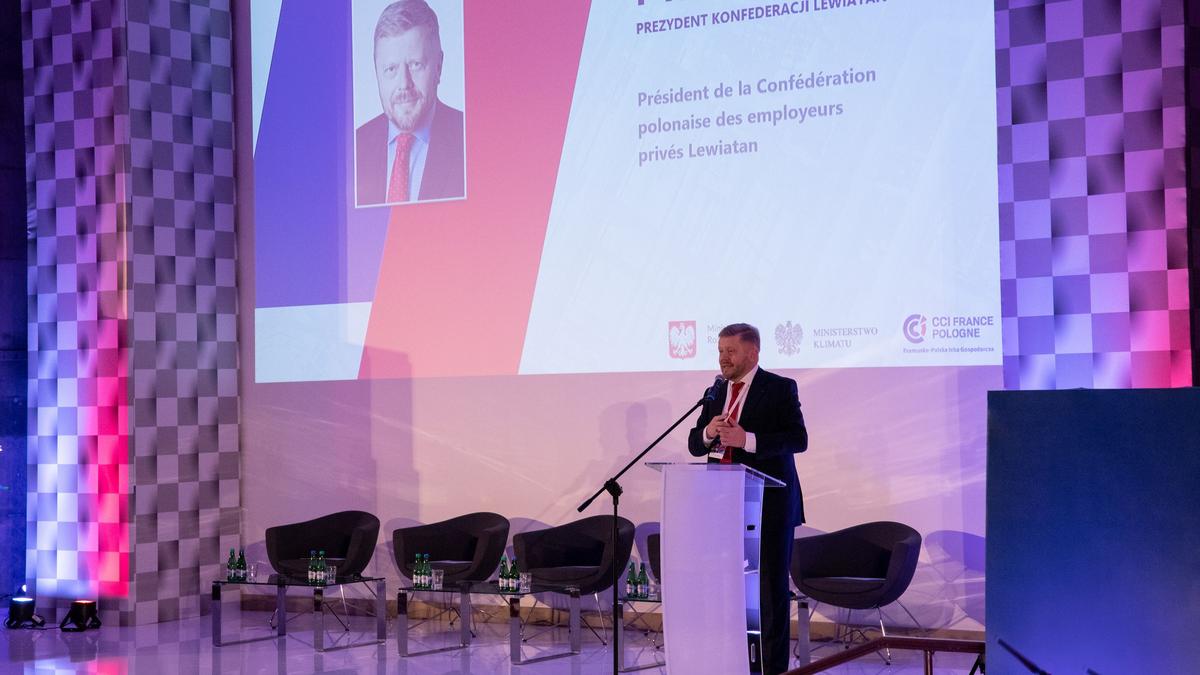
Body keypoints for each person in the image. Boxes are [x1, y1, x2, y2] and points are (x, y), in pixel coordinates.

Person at [688, 323, 808, 675]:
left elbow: (798, 439)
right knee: (729, 590)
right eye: (720, 351)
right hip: (722, 505)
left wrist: (747, 440)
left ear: (752, 353)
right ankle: (735, 660)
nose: (723, 358)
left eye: (731, 351)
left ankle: (773, 669)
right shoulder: (715, 391)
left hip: (768, 505)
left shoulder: (780, 388)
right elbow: (695, 444)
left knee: (769, 592)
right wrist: (708, 432)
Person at [356, 0, 465, 206]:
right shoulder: (356, 146)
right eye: (391, 69)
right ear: (376, 72)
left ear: (439, 67)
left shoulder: (470, 138)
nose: (404, 84)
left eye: (416, 65)